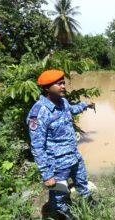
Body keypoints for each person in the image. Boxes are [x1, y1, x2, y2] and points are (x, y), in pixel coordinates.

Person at [27, 70, 96, 218]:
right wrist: (47, 175)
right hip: (57, 165)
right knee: (59, 196)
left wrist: (86, 104)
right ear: (46, 88)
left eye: (63, 82)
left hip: (74, 157)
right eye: (58, 84)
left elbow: (72, 110)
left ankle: (90, 207)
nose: (63, 86)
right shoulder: (39, 112)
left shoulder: (62, 102)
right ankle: (63, 215)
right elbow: (37, 148)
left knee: (82, 184)